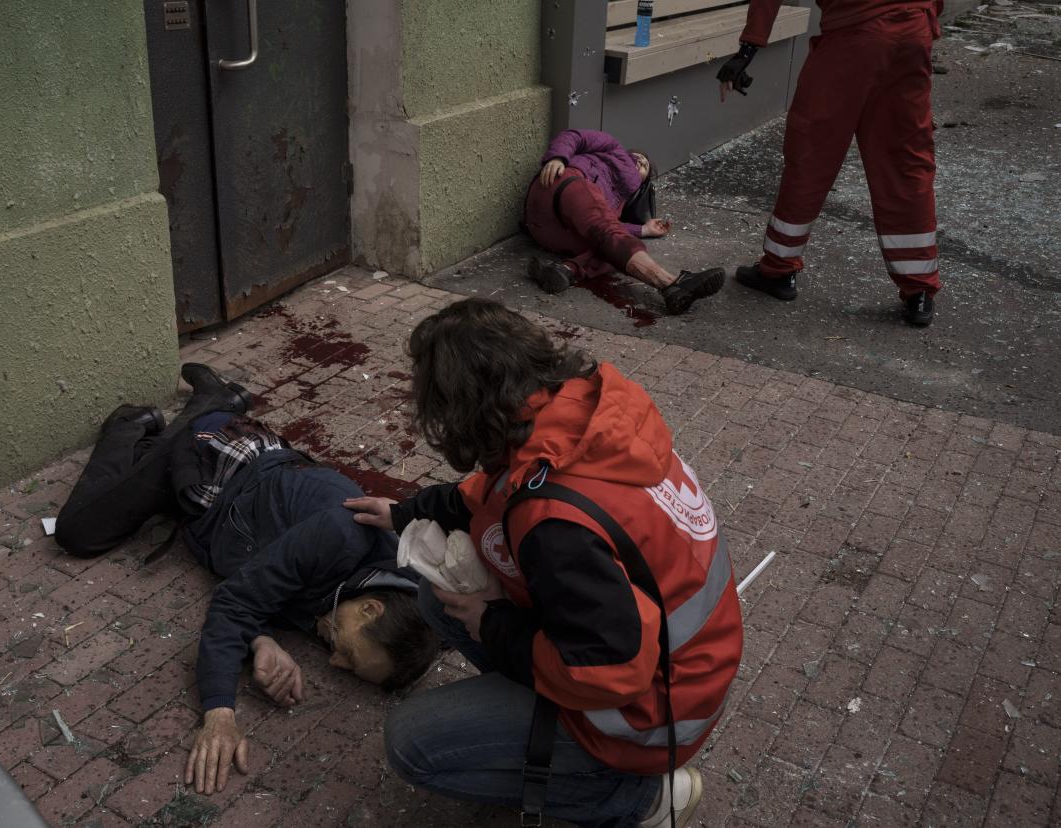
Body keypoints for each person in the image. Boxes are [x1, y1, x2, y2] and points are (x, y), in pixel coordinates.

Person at [345, 299, 743, 828]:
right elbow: (484, 495)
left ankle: (635, 799)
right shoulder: (576, 415)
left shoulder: (555, 524)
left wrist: (489, 622)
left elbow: (609, 672)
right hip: (682, 663)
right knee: (431, 597)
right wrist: (403, 514)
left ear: (459, 409)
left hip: (650, 717)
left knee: (412, 744)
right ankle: (541, 715)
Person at [53, 363, 439, 795]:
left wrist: (261, 640)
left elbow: (266, 595)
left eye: (344, 664)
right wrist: (219, 713)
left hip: (215, 512)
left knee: (130, 497)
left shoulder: (377, 599)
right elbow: (235, 604)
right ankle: (143, 421)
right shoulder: (340, 537)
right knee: (78, 531)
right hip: (216, 459)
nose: (332, 661)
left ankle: (213, 405)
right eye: (346, 652)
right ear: (371, 607)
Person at [717, 0, 945, 326]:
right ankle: (918, 289)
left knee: (811, 152)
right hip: (912, 30)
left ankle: (779, 268)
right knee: (905, 161)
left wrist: (747, 50)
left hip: (854, 34)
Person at [523, 128, 725, 316]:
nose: (640, 161)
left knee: (613, 251)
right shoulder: (612, 148)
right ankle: (672, 283)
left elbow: (606, 227)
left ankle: (563, 270)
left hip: (547, 232)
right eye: (638, 157)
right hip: (557, 185)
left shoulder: (617, 204)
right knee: (613, 238)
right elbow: (574, 135)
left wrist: (644, 230)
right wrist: (558, 157)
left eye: (645, 166)